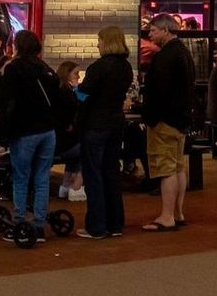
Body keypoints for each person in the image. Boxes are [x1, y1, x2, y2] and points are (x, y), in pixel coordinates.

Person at [0, 29, 59, 244]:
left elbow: (7, 104)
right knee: (42, 178)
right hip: (48, 131)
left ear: (17, 46)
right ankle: (39, 225)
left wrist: (1, 135)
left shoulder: (14, 69)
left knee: (21, 178)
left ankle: (18, 222)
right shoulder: (45, 69)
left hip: (25, 132)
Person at [76, 25, 134, 239]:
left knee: (94, 175)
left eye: (99, 40)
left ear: (106, 42)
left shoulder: (98, 67)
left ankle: (96, 226)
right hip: (115, 123)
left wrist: (76, 89)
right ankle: (115, 223)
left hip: (95, 125)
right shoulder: (125, 67)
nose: (97, 44)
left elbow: (83, 96)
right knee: (111, 172)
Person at [141, 13, 196, 232]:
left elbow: (160, 92)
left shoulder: (165, 57)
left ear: (165, 30)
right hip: (180, 119)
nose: (150, 34)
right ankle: (177, 212)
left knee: (166, 169)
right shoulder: (183, 53)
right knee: (178, 166)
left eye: (153, 30)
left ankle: (166, 216)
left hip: (165, 121)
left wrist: (151, 118)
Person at [55, 60, 85, 202]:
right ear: (67, 74)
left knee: (75, 154)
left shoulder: (59, 90)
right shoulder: (67, 93)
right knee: (89, 149)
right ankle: (77, 187)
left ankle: (65, 186)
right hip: (64, 142)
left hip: (58, 140)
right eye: (76, 73)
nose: (78, 77)